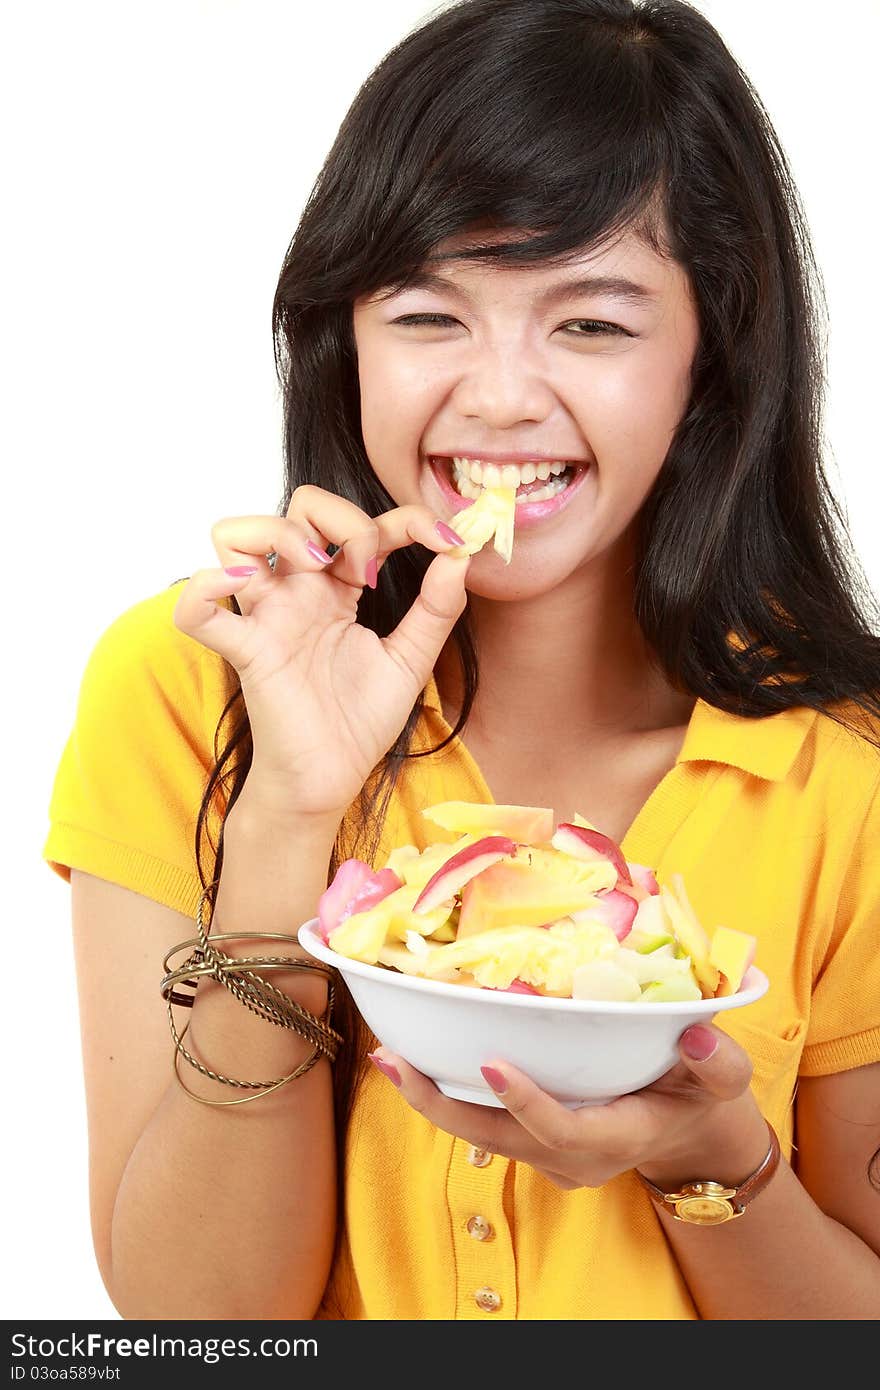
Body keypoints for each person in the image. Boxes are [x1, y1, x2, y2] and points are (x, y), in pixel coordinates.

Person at [43, 0, 880, 1321]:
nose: (497, 398)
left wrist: (711, 1159)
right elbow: (199, 1326)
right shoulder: (190, 679)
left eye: (592, 325)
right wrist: (288, 815)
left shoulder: (853, 769)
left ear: (709, 363)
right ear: (345, 339)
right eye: (429, 314)